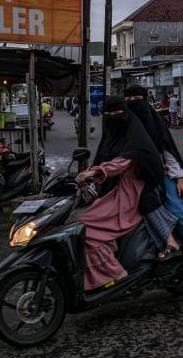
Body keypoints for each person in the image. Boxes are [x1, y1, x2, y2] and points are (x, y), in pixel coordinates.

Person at [73, 96, 166, 290]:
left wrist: (94, 172)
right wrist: (87, 173)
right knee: (81, 222)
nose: (113, 118)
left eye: (117, 114)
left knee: (86, 228)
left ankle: (117, 273)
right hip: (110, 191)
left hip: (127, 193)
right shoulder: (111, 136)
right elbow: (101, 158)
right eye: (109, 115)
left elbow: (120, 163)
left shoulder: (136, 140)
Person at [124, 86, 183, 274]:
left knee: (181, 213)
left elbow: (168, 153)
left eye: (136, 98)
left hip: (165, 178)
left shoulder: (154, 123)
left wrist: (180, 179)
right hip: (133, 182)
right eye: (128, 98)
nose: (132, 102)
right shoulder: (123, 124)